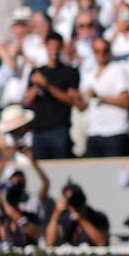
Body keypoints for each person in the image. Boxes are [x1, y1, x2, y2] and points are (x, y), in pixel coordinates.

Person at [25, 31, 82, 160]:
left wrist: (47, 86)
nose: (54, 51)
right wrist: (36, 86)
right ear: (46, 47)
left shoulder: (70, 72)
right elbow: (28, 100)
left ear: (61, 48)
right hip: (39, 130)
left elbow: (71, 100)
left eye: (57, 47)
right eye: (51, 46)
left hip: (59, 129)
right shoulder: (37, 72)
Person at [80, 36, 129, 158]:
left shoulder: (118, 70)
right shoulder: (89, 73)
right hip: (94, 132)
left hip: (115, 132)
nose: (102, 54)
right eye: (97, 51)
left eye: (105, 51)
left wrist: (100, 97)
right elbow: (82, 106)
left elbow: (125, 101)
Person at [44, 182, 110, 247]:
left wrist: (81, 219)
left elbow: (101, 242)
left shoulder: (97, 217)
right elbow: (50, 242)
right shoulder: (64, 218)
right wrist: (56, 214)